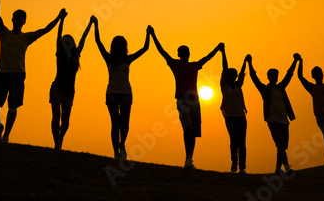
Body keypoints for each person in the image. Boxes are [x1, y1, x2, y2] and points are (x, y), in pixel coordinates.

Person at [0, 0, 66, 143]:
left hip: (17, 74)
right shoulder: (4, 33)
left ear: (24, 22)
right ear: (12, 20)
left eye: (20, 19)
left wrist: (59, 17)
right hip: (1, 72)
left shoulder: (26, 37)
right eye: (16, 18)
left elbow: (45, 30)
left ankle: (6, 136)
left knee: (13, 106)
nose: (17, 21)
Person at [148, 25, 223, 169]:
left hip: (195, 101)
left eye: (187, 51)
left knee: (193, 132)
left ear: (189, 53)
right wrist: (153, 35)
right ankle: (188, 159)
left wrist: (217, 49)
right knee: (187, 129)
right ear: (179, 53)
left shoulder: (194, 65)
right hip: (183, 101)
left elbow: (206, 58)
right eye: (182, 52)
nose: (185, 53)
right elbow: (162, 51)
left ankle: (189, 159)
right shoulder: (175, 64)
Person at [92, 15, 150, 160]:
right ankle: (116, 152)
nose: (118, 45)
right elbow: (98, 42)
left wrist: (148, 34)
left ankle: (122, 144)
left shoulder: (128, 59)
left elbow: (145, 49)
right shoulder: (108, 58)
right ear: (113, 46)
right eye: (116, 43)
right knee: (115, 122)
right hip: (111, 92)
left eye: (121, 43)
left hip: (126, 93)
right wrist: (96, 24)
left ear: (124, 46)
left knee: (125, 122)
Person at [246, 54, 299, 176]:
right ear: (268, 77)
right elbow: (254, 77)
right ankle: (287, 168)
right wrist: (250, 63)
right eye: (272, 76)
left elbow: (289, 74)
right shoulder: (264, 89)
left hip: (284, 120)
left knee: (283, 146)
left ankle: (277, 170)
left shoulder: (281, 87)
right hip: (272, 120)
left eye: (276, 76)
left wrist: (295, 61)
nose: (274, 77)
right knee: (280, 144)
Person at [49, 14, 93, 150]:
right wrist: (61, 19)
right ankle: (56, 144)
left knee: (66, 121)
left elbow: (84, 38)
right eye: (64, 41)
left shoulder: (76, 53)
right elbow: (58, 35)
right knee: (56, 115)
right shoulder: (60, 52)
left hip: (69, 90)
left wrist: (90, 23)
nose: (66, 43)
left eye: (69, 41)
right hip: (57, 87)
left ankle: (61, 137)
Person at [220, 46, 248, 173]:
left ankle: (242, 168)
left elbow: (242, 74)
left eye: (236, 74)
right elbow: (224, 68)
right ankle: (234, 163)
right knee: (234, 139)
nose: (236, 76)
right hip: (230, 116)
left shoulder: (238, 85)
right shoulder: (224, 85)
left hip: (241, 116)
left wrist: (245, 61)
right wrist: (223, 52)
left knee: (242, 142)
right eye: (233, 74)